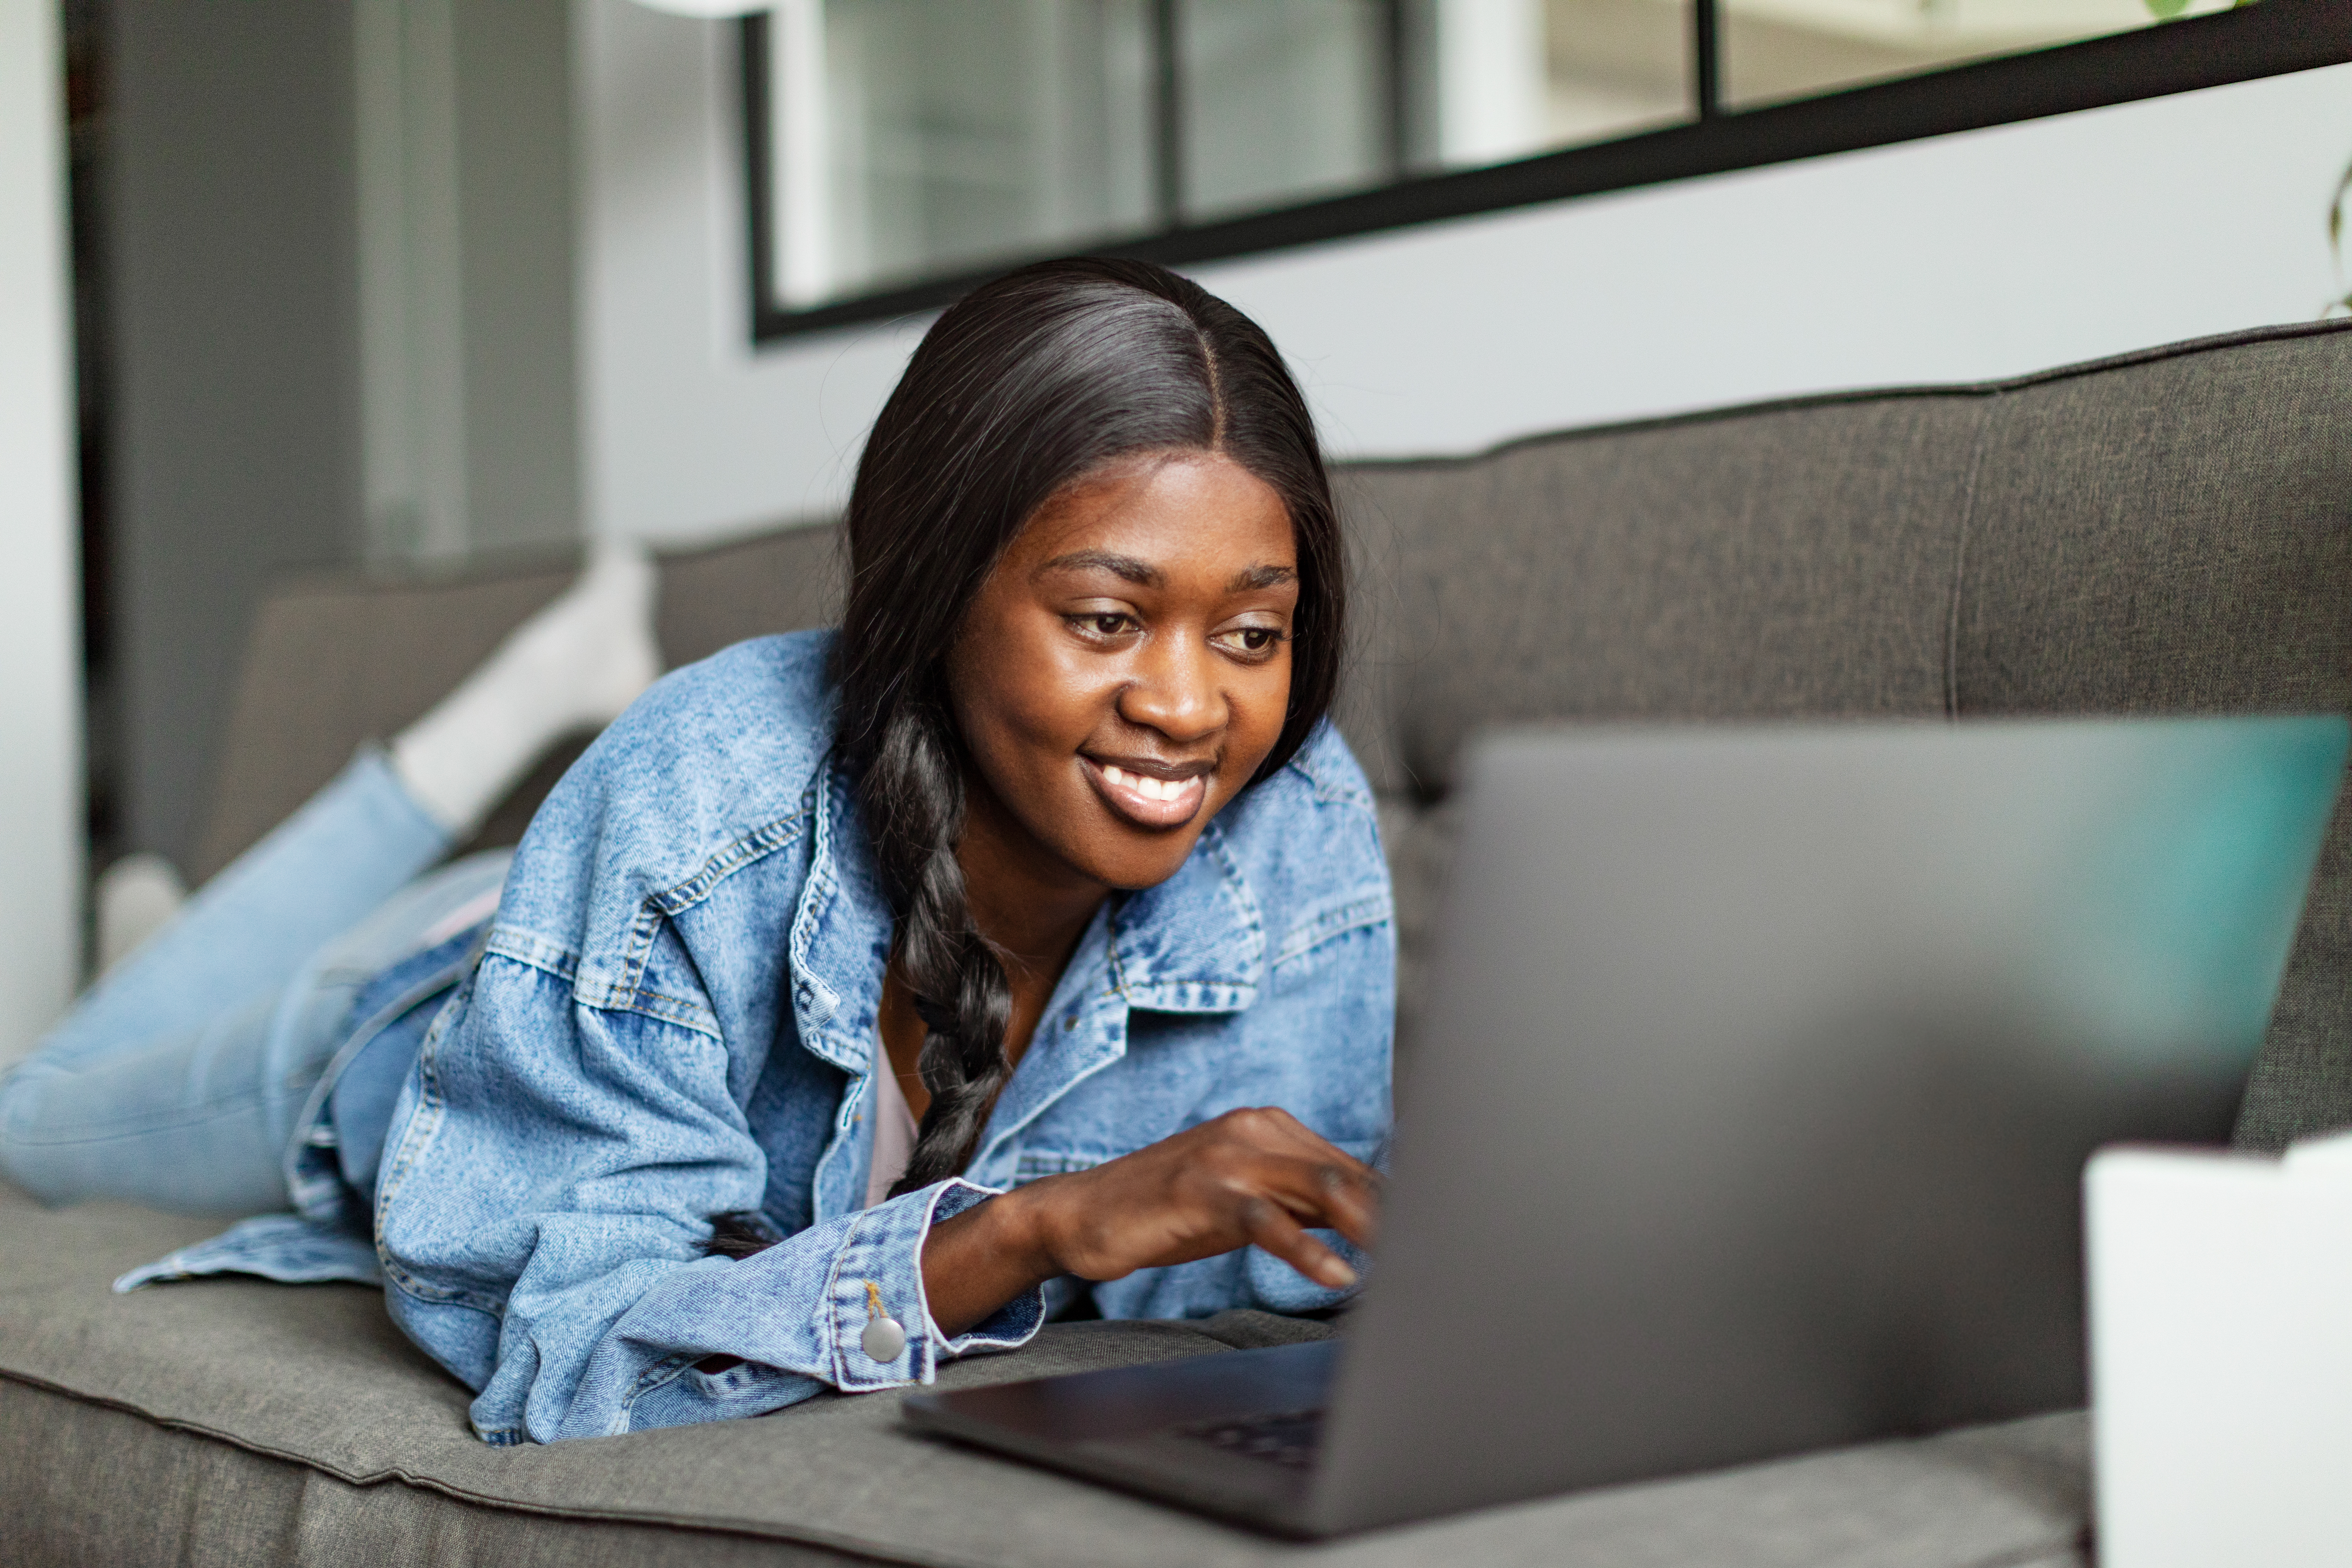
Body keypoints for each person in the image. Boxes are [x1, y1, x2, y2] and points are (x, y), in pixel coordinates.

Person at [0, 258, 1393, 1445]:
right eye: (1105, 618)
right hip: (454, 1004)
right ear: (931, 595)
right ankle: (475, 735)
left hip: (598, 914)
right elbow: (572, 1358)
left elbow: (1266, 1267)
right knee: (30, 1114)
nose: (1190, 704)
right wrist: (1026, 1229)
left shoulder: (1293, 822)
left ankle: (163, 947)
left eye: (1251, 634)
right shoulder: (699, 798)